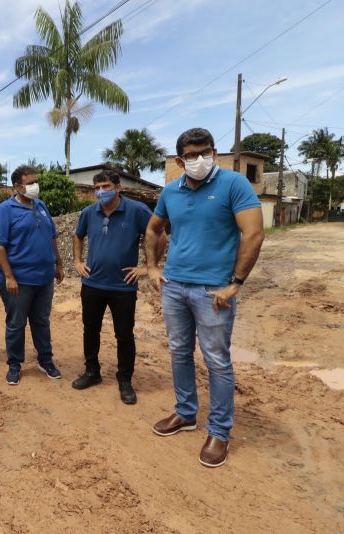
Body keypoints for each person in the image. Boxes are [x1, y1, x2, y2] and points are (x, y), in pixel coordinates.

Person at [145, 127, 264, 468]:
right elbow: (153, 229)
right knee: (179, 351)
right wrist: (152, 268)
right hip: (175, 286)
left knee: (216, 360)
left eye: (206, 152)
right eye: (193, 155)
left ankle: (220, 430)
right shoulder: (170, 191)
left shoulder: (234, 185)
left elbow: (253, 234)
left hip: (214, 291)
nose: (200, 160)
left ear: (214, 152)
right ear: (180, 160)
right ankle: (185, 413)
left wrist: (236, 283)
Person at [73, 169, 162, 404]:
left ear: (118, 188)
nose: (100, 192)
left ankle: (125, 379)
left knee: (124, 335)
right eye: (97, 188)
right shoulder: (88, 213)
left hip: (123, 287)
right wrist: (78, 261)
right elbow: (78, 236)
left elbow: (158, 235)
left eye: (105, 187)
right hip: (92, 284)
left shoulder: (137, 211)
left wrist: (147, 267)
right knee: (90, 330)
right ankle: (92, 372)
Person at [0, 165, 64, 385]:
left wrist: (58, 264)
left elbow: (51, 236)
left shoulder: (41, 206)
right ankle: (14, 364)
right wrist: (9, 276)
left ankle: (45, 360)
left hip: (44, 278)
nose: (35, 186)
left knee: (41, 321)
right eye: (30, 182)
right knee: (16, 323)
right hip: (19, 280)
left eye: (35, 181)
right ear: (17, 186)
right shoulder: (5, 209)